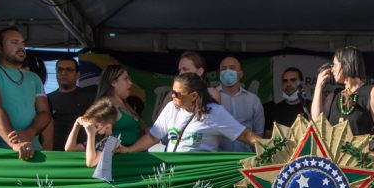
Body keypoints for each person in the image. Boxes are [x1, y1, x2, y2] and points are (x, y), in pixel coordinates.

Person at [123, 72, 261, 153]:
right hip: (172, 176)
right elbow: (153, 137)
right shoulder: (171, 107)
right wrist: (128, 151)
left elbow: (245, 135)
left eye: (177, 94)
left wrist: (274, 148)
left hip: (199, 179)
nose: (172, 96)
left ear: (194, 96)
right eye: (172, 92)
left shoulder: (215, 112)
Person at [0, 27, 51, 161]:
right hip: (3, 152)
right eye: (14, 42)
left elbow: (45, 113)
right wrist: (15, 143)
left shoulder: (34, 78)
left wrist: (30, 132)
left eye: (23, 44)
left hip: (34, 150)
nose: (21, 47)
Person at [311, 47, 374, 143]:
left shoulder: (371, 92)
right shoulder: (334, 95)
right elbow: (316, 121)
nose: (332, 70)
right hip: (334, 156)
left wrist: (368, 142)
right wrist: (319, 87)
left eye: (335, 65)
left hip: (358, 155)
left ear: (346, 65)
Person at [45, 57, 96, 151]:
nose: (64, 73)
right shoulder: (46, 99)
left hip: (83, 154)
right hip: (55, 154)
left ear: (78, 75)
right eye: (60, 69)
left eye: (69, 69)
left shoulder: (91, 97)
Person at [215, 56, 264, 152]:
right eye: (224, 69)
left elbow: (258, 133)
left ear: (241, 74)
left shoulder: (253, 100)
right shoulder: (211, 98)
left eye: (232, 68)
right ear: (220, 74)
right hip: (219, 159)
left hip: (246, 159)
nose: (227, 71)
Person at [94, 64, 145, 146]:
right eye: (125, 79)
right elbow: (100, 136)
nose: (130, 83)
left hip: (134, 154)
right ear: (113, 82)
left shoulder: (126, 105)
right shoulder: (105, 106)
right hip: (118, 156)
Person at [63, 98, 121, 167]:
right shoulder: (97, 139)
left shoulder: (112, 141)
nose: (92, 129)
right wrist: (76, 125)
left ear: (107, 127)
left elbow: (91, 163)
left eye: (95, 126)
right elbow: (70, 149)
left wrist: (91, 134)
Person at [266, 66, 310, 131]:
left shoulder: (311, 107)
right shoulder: (273, 110)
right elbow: (268, 136)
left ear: (302, 84)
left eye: (293, 80)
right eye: (285, 81)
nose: (288, 84)